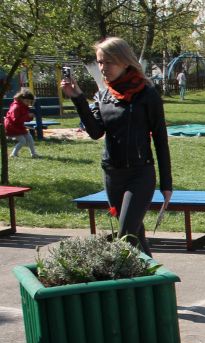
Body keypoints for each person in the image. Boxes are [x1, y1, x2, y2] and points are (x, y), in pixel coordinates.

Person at [62, 37, 172, 256]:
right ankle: (155, 284)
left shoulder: (147, 94)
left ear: (124, 61)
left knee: (125, 237)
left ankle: (128, 283)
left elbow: (160, 137)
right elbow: (96, 132)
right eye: (100, 62)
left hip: (140, 174)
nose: (103, 68)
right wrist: (77, 98)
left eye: (108, 62)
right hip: (112, 174)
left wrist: (166, 184)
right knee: (135, 235)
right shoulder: (104, 95)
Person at [5, 88, 40, 159]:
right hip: (11, 126)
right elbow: (15, 119)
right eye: (27, 101)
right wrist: (27, 116)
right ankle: (13, 154)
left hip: (18, 126)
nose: (28, 103)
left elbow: (23, 118)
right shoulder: (16, 107)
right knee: (22, 140)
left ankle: (33, 154)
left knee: (29, 137)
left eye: (29, 102)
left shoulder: (24, 106)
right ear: (21, 99)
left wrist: (29, 117)